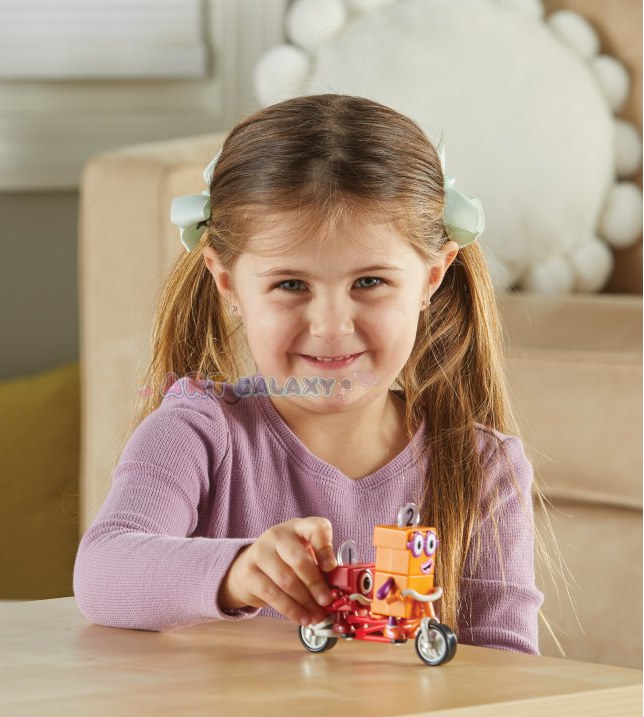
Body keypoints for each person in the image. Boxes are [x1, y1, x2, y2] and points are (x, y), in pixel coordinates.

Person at [73, 94, 547, 654]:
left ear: (432, 277)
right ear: (228, 283)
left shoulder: (484, 464)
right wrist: (239, 570)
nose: (330, 325)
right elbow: (102, 570)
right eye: (291, 285)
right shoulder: (196, 432)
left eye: (369, 282)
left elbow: (506, 667)